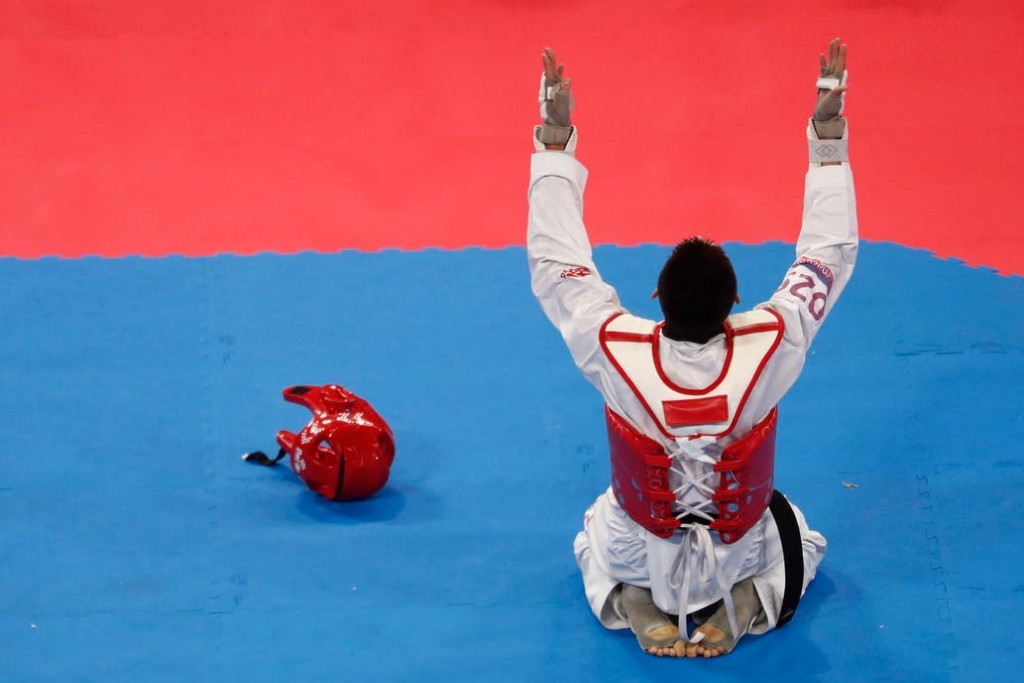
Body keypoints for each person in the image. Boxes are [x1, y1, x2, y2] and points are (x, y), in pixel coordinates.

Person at [526, 39, 857, 658]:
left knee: (595, 529)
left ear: (656, 297)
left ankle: (635, 597)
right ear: (737, 304)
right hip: (738, 552)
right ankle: (749, 600)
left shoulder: (613, 345)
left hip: (636, 546)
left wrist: (554, 141)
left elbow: (556, 262)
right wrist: (828, 140)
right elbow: (826, 256)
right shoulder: (771, 342)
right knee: (799, 538)